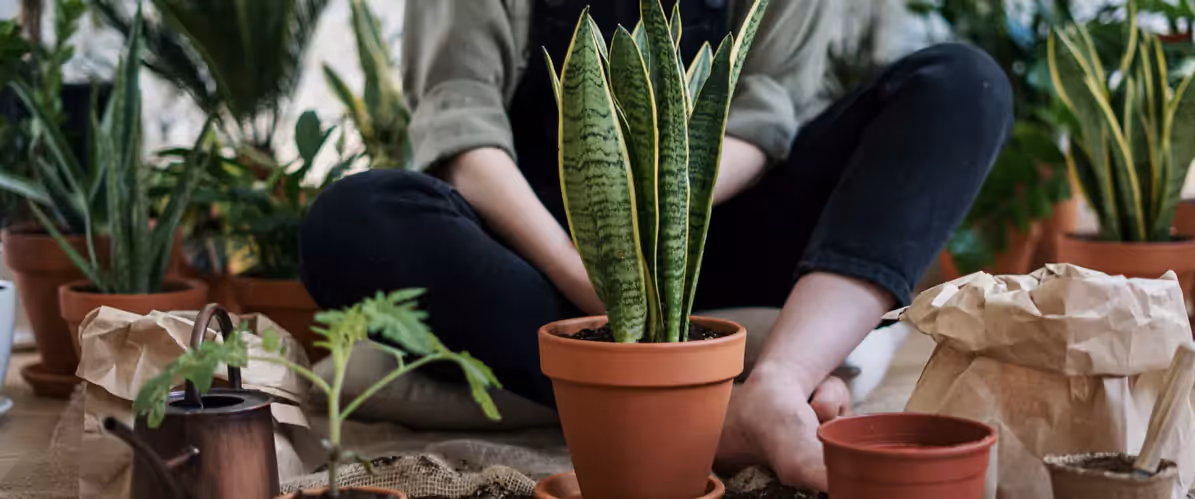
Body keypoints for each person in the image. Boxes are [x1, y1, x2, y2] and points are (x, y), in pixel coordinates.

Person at [300, 0, 1012, 491]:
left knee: (962, 85)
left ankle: (778, 382)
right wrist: (599, 278)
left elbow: (764, 115)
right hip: (540, 259)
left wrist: (666, 241)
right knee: (351, 218)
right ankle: (707, 411)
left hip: (716, 224)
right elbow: (461, 124)